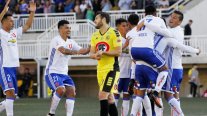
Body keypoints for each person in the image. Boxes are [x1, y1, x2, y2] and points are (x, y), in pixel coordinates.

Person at [130, 5, 173, 108]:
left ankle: (132, 113)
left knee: (140, 92)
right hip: (146, 50)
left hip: (134, 51)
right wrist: (148, 24)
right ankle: (156, 92)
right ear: (155, 13)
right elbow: (167, 33)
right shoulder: (158, 19)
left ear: (145, 13)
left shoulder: (142, 20)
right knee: (165, 69)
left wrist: (145, 23)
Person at [45, 20, 90, 116]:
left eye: (70, 28)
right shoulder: (56, 40)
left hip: (64, 74)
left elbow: (82, 50)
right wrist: (76, 52)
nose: (69, 30)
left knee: (72, 92)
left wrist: (90, 48)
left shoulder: (71, 42)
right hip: (52, 72)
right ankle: (51, 114)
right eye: (66, 27)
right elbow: (63, 50)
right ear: (60, 29)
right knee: (61, 90)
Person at [0, 0, 36, 116]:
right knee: (10, 93)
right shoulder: (0, 33)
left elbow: (27, 26)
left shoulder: (14, 33)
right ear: (3, 22)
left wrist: (32, 12)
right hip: (4, 67)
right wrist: (3, 11)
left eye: (13, 21)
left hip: (13, 68)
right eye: (10, 21)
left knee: (13, 96)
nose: (12, 23)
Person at [90, 12, 122, 116]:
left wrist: (104, 52)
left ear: (103, 19)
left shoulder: (114, 33)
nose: (94, 21)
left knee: (102, 95)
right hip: (100, 70)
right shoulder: (94, 35)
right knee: (110, 98)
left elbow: (118, 52)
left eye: (96, 18)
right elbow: (91, 53)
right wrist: (95, 56)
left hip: (111, 69)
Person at [113, 18, 130, 116]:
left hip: (128, 74)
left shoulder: (130, 37)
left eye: (127, 25)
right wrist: (125, 45)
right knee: (115, 95)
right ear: (118, 27)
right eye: (123, 26)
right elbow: (114, 52)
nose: (126, 27)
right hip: (118, 73)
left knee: (127, 95)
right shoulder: (116, 39)